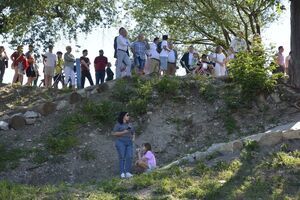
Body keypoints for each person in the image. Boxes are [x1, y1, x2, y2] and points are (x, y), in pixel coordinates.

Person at [112, 112, 135, 179]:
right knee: (122, 157)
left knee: (130, 156)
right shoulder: (118, 125)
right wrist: (124, 132)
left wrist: (133, 138)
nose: (129, 116)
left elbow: (133, 132)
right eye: (127, 115)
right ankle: (122, 173)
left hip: (129, 142)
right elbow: (114, 133)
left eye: (129, 115)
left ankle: (127, 172)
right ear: (123, 116)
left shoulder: (130, 124)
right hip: (120, 142)